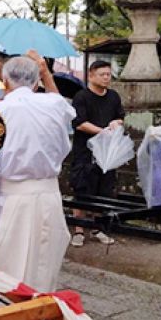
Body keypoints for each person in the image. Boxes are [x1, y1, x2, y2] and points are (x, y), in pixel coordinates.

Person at [0, 56, 75, 292]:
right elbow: (66, 109)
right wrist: (46, 74)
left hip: (13, 200)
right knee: (44, 270)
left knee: (10, 274)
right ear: (36, 83)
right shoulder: (54, 106)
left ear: (4, 81)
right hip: (49, 197)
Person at [69, 60, 123, 247]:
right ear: (91, 75)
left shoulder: (114, 97)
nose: (106, 78)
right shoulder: (81, 97)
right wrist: (102, 131)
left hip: (108, 151)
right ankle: (78, 229)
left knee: (105, 188)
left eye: (109, 74)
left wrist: (116, 124)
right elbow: (79, 123)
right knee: (82, 188)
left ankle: (98, 228)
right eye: (102, 74)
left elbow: (119, 116)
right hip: (85, 150)